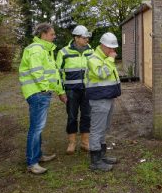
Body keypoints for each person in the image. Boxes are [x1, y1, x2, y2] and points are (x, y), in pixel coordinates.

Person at [19, 23, 67, 175]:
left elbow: (53, 74)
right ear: (44, 35)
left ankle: (38, 156)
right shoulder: (36, 49)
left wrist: (59, 91)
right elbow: (36, 71)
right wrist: (45, 88)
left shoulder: (45, 50)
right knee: (36, 128)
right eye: (52, 34)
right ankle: (32, 162)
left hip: (41, 93)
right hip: (38, 93)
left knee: (38, 127)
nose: (54, 36)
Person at [85, 32, 121, 171]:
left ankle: (102, 156)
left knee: (104, 128)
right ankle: (95, 161)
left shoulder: (105, 57)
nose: (113, 51)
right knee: (97, 129)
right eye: (111, 48)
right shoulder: (94, 59)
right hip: (99, 99)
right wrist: (111, 59)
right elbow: (102, 73)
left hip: (107, 97)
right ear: (103, 46)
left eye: (113, 49)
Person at [56, 25, 93, 154]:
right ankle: (72, 143)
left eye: (87, 37)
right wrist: (61, 92)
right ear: (76, 38)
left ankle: (85, 142)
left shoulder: (91, 52)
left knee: (87, 116)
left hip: (87, 90)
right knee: (72, 116)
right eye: (84, 38)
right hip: (71, 91)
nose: (87, 40)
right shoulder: (64, 52)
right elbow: (58, 74)